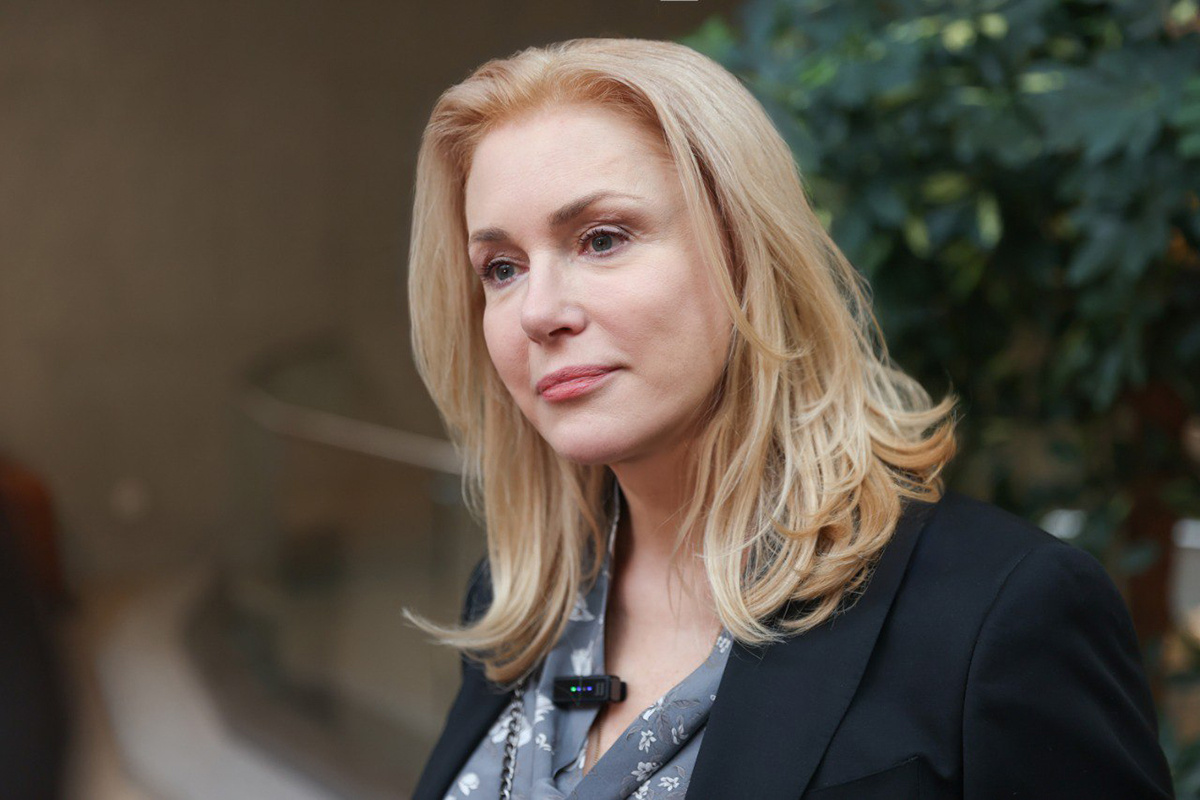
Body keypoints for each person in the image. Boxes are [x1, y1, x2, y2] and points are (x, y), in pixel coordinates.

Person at [403, 38, 1173, 800]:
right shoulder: (520, 599)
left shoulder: (998, 614)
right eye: (502, 268)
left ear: (748, 252)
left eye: (602, 239)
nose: (537, 312)